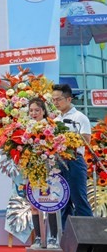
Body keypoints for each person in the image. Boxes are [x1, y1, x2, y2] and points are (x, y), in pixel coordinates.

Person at [52, 84, 93, 229]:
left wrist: (65, 141)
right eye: (53, 100)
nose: (55, 102)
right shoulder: (55, 120)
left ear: (69, 99)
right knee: (63, 201)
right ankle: (66, 239)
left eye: (59, 99)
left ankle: (90, 237)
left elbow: (86, 141)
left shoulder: (79, 118)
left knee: (79, 199)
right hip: (58, 163)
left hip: (74, 162)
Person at [27, 98, 59, 250]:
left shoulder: (51, 126)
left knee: (51, 203)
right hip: (32, 170)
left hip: (49, 169)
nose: (33, 113)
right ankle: (38, 238)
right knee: (34, 205)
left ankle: (53, 238)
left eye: (37, 110)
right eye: (31, 110)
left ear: (43, 111)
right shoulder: (25, 128)